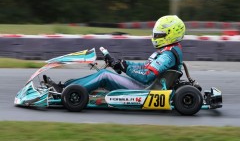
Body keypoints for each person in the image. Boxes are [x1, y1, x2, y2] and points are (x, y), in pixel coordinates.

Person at [44, 15, 185, 93]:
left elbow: (146, 77)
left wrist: (126, 68)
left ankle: (66, 91)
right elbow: (146, 67)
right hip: (148, 85)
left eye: (159, 35)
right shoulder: (167, 51)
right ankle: (64, 87)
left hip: (146, 90)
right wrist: (123, 63)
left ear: (171, 35)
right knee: (102, 74)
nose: (156, 37)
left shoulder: (168, 55)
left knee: (103, 75)